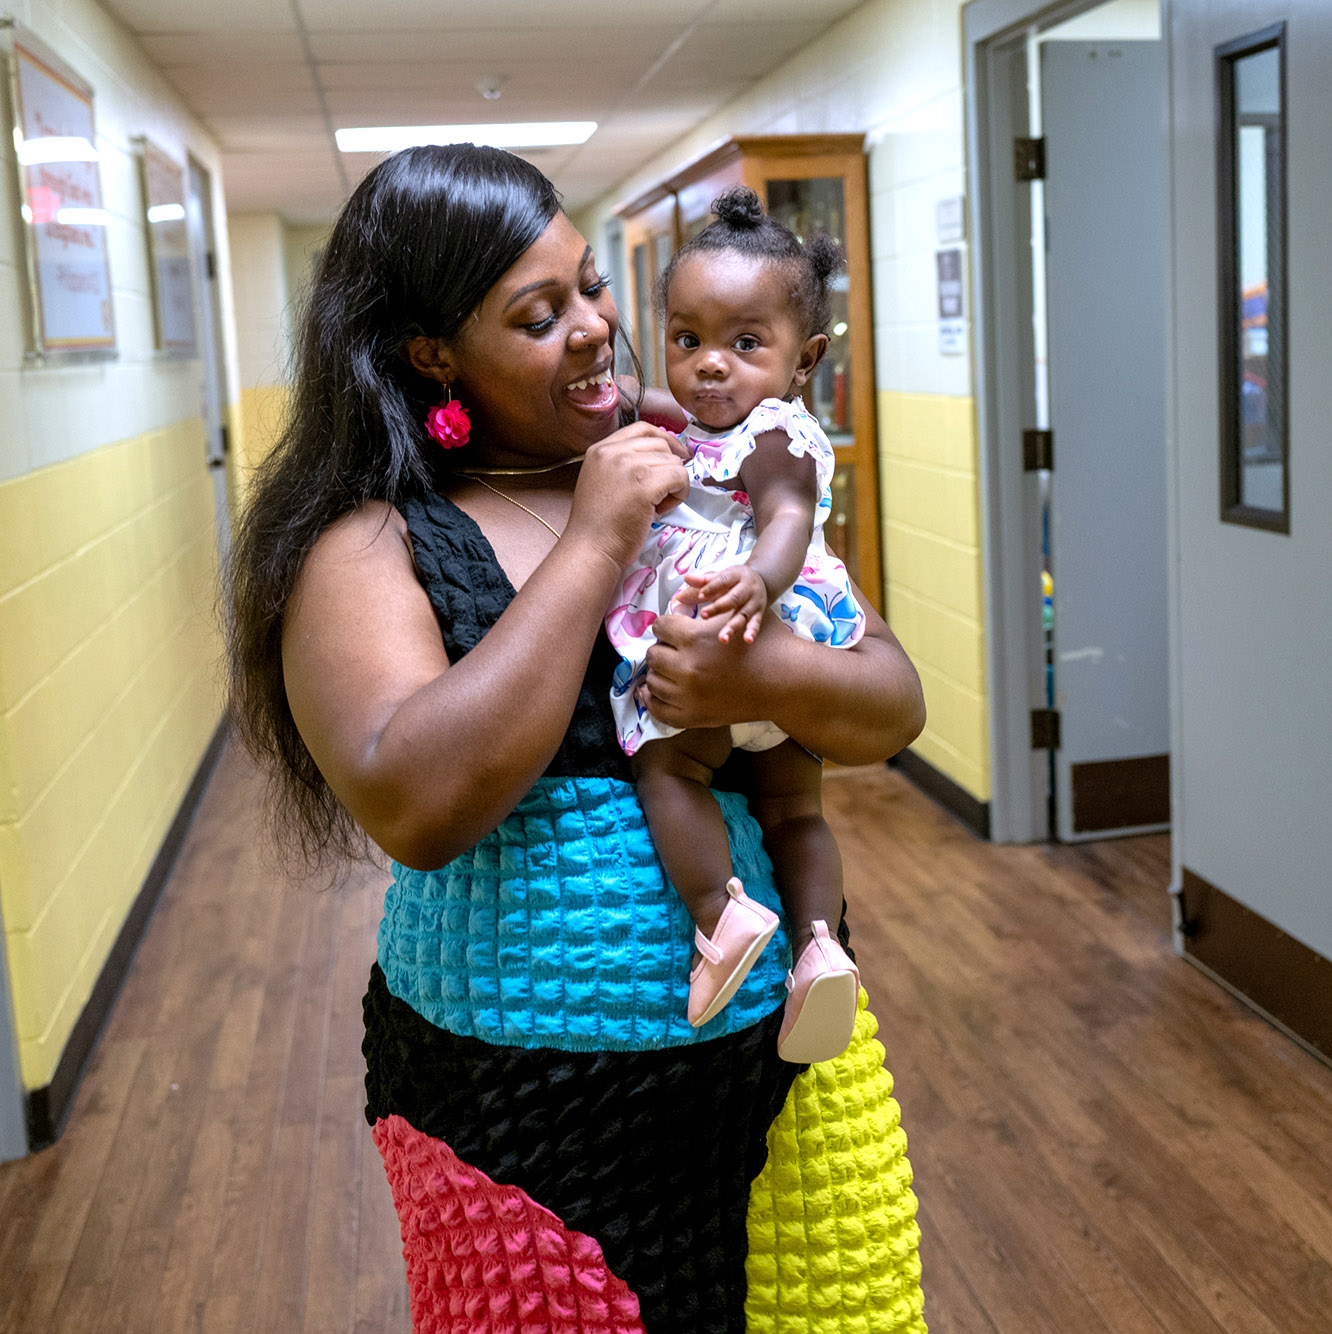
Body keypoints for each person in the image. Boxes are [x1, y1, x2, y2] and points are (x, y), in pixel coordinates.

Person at [227, 143, 927, 1329]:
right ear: (430, 352)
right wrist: (594, 538)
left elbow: (889, 699)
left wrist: (766, 671)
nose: (597, 327)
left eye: (592, 286)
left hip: (779, 1074)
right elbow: (417, 802)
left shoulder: (698, 457)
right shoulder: (367, 543)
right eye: (539, 314)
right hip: (525, 1115)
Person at [607, 188, 863, 1064]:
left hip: (737, 628)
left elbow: (789, 516)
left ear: (806, 361)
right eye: (689, 340)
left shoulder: (779, 438)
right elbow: (647, 401)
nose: (710, 365)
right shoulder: (706, 421)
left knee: (669, 765)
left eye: (745, 344)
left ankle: (721, 913)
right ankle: (817, 949)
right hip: (771, 646)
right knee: (792, 806)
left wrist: (757, 579)